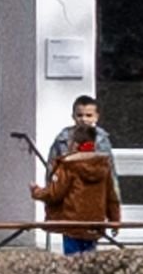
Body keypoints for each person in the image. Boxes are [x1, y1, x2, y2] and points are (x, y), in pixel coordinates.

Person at [34, 96, 119, 256]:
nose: (84, 119)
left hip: (92, 206)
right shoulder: (63, 138)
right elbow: (52, 170)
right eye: (80, 115)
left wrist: (113, 213)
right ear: (73, 116)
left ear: (96, 117)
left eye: (88, 115)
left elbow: (111, 177)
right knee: (82, 254)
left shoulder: (101, 139)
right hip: (71, 204)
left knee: (80, 256)